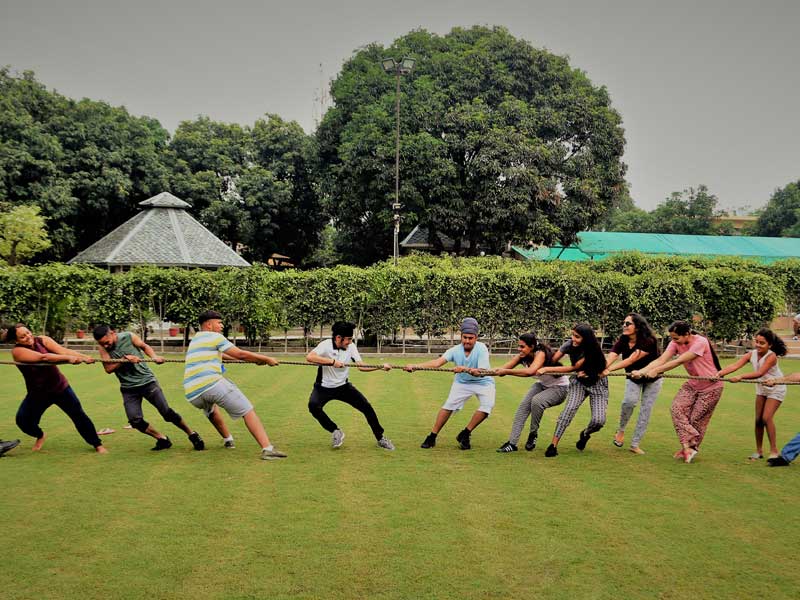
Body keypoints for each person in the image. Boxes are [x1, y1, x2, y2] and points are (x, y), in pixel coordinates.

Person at [183, 310, 286, 460]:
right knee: (247, 410)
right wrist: (266, 358)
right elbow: (240, 354)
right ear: (209, 324)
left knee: (211, 410)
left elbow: (222, 355)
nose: (222, 326)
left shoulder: (196, 339)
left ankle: (228, 439)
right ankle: (267, 449)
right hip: (212, 384)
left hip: (193, 394)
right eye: (219, 323)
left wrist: (254, 360)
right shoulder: (215, 337)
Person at [93, 325, 205, 452]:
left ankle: (192, 434)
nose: (106, 346)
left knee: (167, 413)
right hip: (128, 388)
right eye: (103, 344)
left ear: (112, 333)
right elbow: (108, 369)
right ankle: (162, 439)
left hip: (147, 382)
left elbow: (144, 347)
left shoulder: (129, 336)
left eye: (107, 342)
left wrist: (154, 357)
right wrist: (124, 360)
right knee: (135, 421)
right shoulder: (103, 348)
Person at [5, 323, 107, 454]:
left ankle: (97, 444)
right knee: (23, 421)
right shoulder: (17, 351)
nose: (28, 336)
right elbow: (44, 357)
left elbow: (63, 351)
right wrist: (69, 359)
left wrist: (83, 356)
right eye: (22, 337)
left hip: (60, 388)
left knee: (79, 415)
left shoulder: (43, 340)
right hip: (38, 393)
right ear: (16, 340)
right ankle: (40, 435)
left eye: (28, 332)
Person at [632, 321, 723, 464]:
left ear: (687, 334)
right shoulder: (675, 343)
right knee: (676, 409)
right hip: (693, 384)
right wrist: (642, 371)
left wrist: (656, 371)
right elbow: (662, 359)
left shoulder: (700, 342)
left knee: (695, 419)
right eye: (672, 338)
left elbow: (679, 361)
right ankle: (689, 445)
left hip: (711, 387)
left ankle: (689, 448)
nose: (674, 341)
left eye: (676, 338)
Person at [407, 317, 494, 450]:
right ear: (461, 336)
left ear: (476, 338)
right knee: (448, 407)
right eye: (465, 337)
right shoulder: (455, 350)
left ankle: (465, 433)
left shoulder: (481, 348)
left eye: (471, 338)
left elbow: (481, 372)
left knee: (487, 407)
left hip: (484, 382)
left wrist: (463, 368)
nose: (467, 341)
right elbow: (437, 363)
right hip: (462, 383)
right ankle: (432, 437)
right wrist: (415, 366)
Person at [306, 321, 394, 450]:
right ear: (338, 338)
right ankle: (335, 431)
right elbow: (309, 357)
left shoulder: (351, 347)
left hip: (343, 387)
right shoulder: (325, 345)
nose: (349, 342)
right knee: (313, 406)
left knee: (367, 408)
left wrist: (380, 367)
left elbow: (361, 367)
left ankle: (380, 438)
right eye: (348, 339)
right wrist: (332, 362)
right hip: (323, 388)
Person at [538, 323, 608, 457]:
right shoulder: (569, 344)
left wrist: (547, 369)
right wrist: (539, 361)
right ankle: (553, 445)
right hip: (579, 382)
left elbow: (573, 368)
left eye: (577, 337)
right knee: (568, 410)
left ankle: (586, 433)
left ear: (586, 339)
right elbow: (553, 359)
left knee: (599, 421)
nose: (573, 339)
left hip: (597, 382)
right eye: (572, 335)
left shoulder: (592, 349)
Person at [717, 328, 787, 460]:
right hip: (762, 387)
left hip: (776, 386)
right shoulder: (751, 354)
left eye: (762, 343)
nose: (758, 345)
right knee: (758, 419)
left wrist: (740, 377)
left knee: (766, 418)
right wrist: (720, 373)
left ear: (770, 345)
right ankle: (759, 451)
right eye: (757, 342)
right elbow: (735, 365)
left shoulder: (771, 356)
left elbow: (759, 373)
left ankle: (774, 451)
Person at [493, 332, 569, 453]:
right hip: (543, 385)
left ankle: (533, 433)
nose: (519, 349)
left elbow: (530, 372)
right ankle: (512, 444)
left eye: (522, 347)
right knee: (522, 408)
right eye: (519, 346)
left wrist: (506, 371)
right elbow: (501, 370)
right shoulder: (521, 356)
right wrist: (476, 371)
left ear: (532, 346)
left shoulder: (541, 353)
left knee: (537, 401)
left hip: (560, 388)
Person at [604, 314, 662, 455]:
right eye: (623, 323)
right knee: (628, 402)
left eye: (628, 323)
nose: (624, 325)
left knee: (645, 410)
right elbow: (613, 355)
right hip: (633, 377)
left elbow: (631, 360)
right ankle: (621, 430)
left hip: (653, 378)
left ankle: (635, 444)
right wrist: (602, 368)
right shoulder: (623, 339)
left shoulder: (649, 340)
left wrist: (609, 369)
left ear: (637, 326)